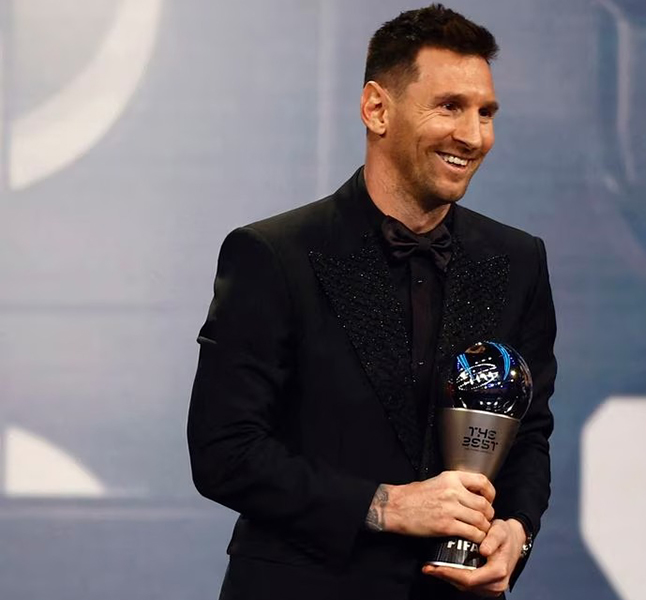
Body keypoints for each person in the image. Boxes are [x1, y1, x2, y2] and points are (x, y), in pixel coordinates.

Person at [187, 5, 556, 599]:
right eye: (449, 106)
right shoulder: (273, 255)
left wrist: (517, 531)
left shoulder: (517, 262)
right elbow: (224, 451)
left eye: (485, 112)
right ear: (377, 108)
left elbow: (529, 430)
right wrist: (385, 505)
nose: (473, 134)